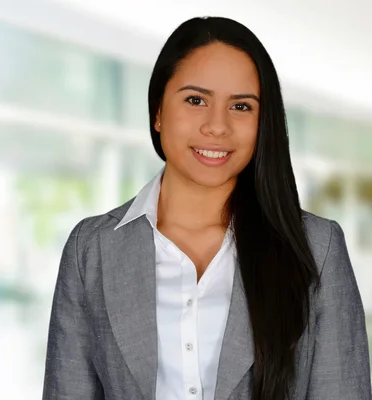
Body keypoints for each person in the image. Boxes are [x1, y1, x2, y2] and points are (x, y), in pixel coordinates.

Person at [42, 16, 372, 400]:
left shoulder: (317, 247)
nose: (217, 127)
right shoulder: (92, 248)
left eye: (241, 106)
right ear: (158, 113)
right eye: (195, 100)